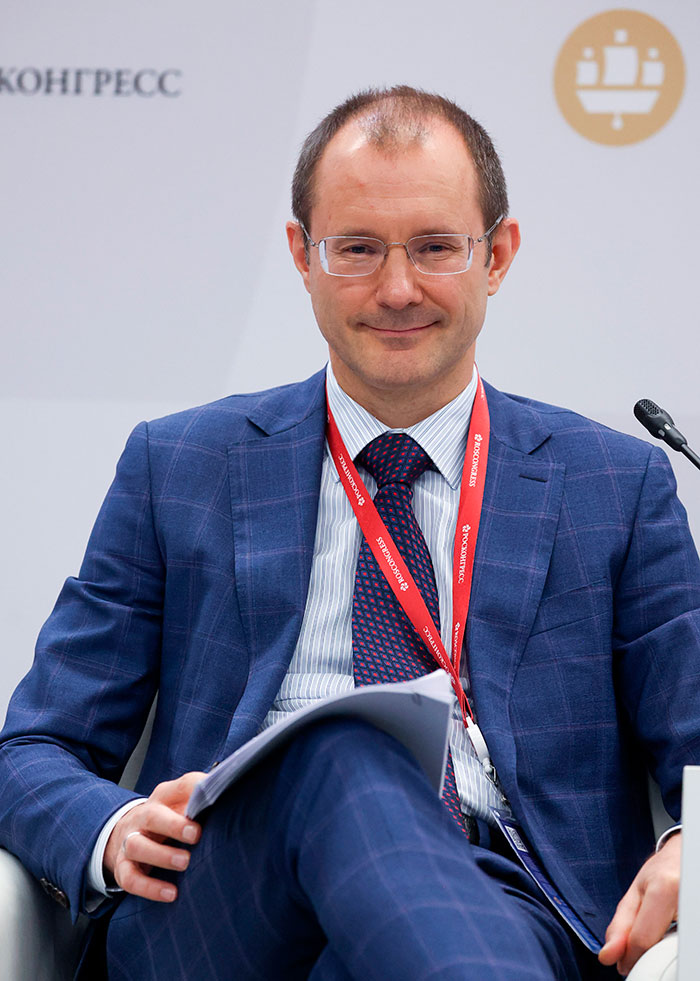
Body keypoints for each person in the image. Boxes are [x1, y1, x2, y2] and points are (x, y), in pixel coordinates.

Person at [1, 86, 698, 980]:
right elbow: (32, 750)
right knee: (341, 749)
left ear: (497, 256)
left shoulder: (612, 484)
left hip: (502, 898)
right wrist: (113, 827)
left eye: (436, 247)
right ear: (304, 255)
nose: (397, 289)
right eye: (358, 248)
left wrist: (688, 843)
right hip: (220, 904)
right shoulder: (180, 467)